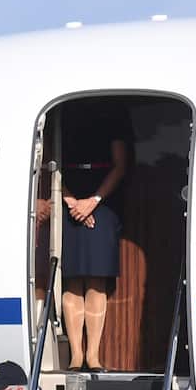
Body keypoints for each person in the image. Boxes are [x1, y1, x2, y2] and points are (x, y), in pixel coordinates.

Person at [59, 99, 130, 373]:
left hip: (103, 198)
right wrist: (71, 202)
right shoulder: (63, 110)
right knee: (72, 279)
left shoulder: (114, 111)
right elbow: (48, 161)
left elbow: (120, 165)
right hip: (68, 196)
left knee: (97, 280)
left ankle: (93, 355)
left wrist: (93, 201)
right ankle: (76, 355)